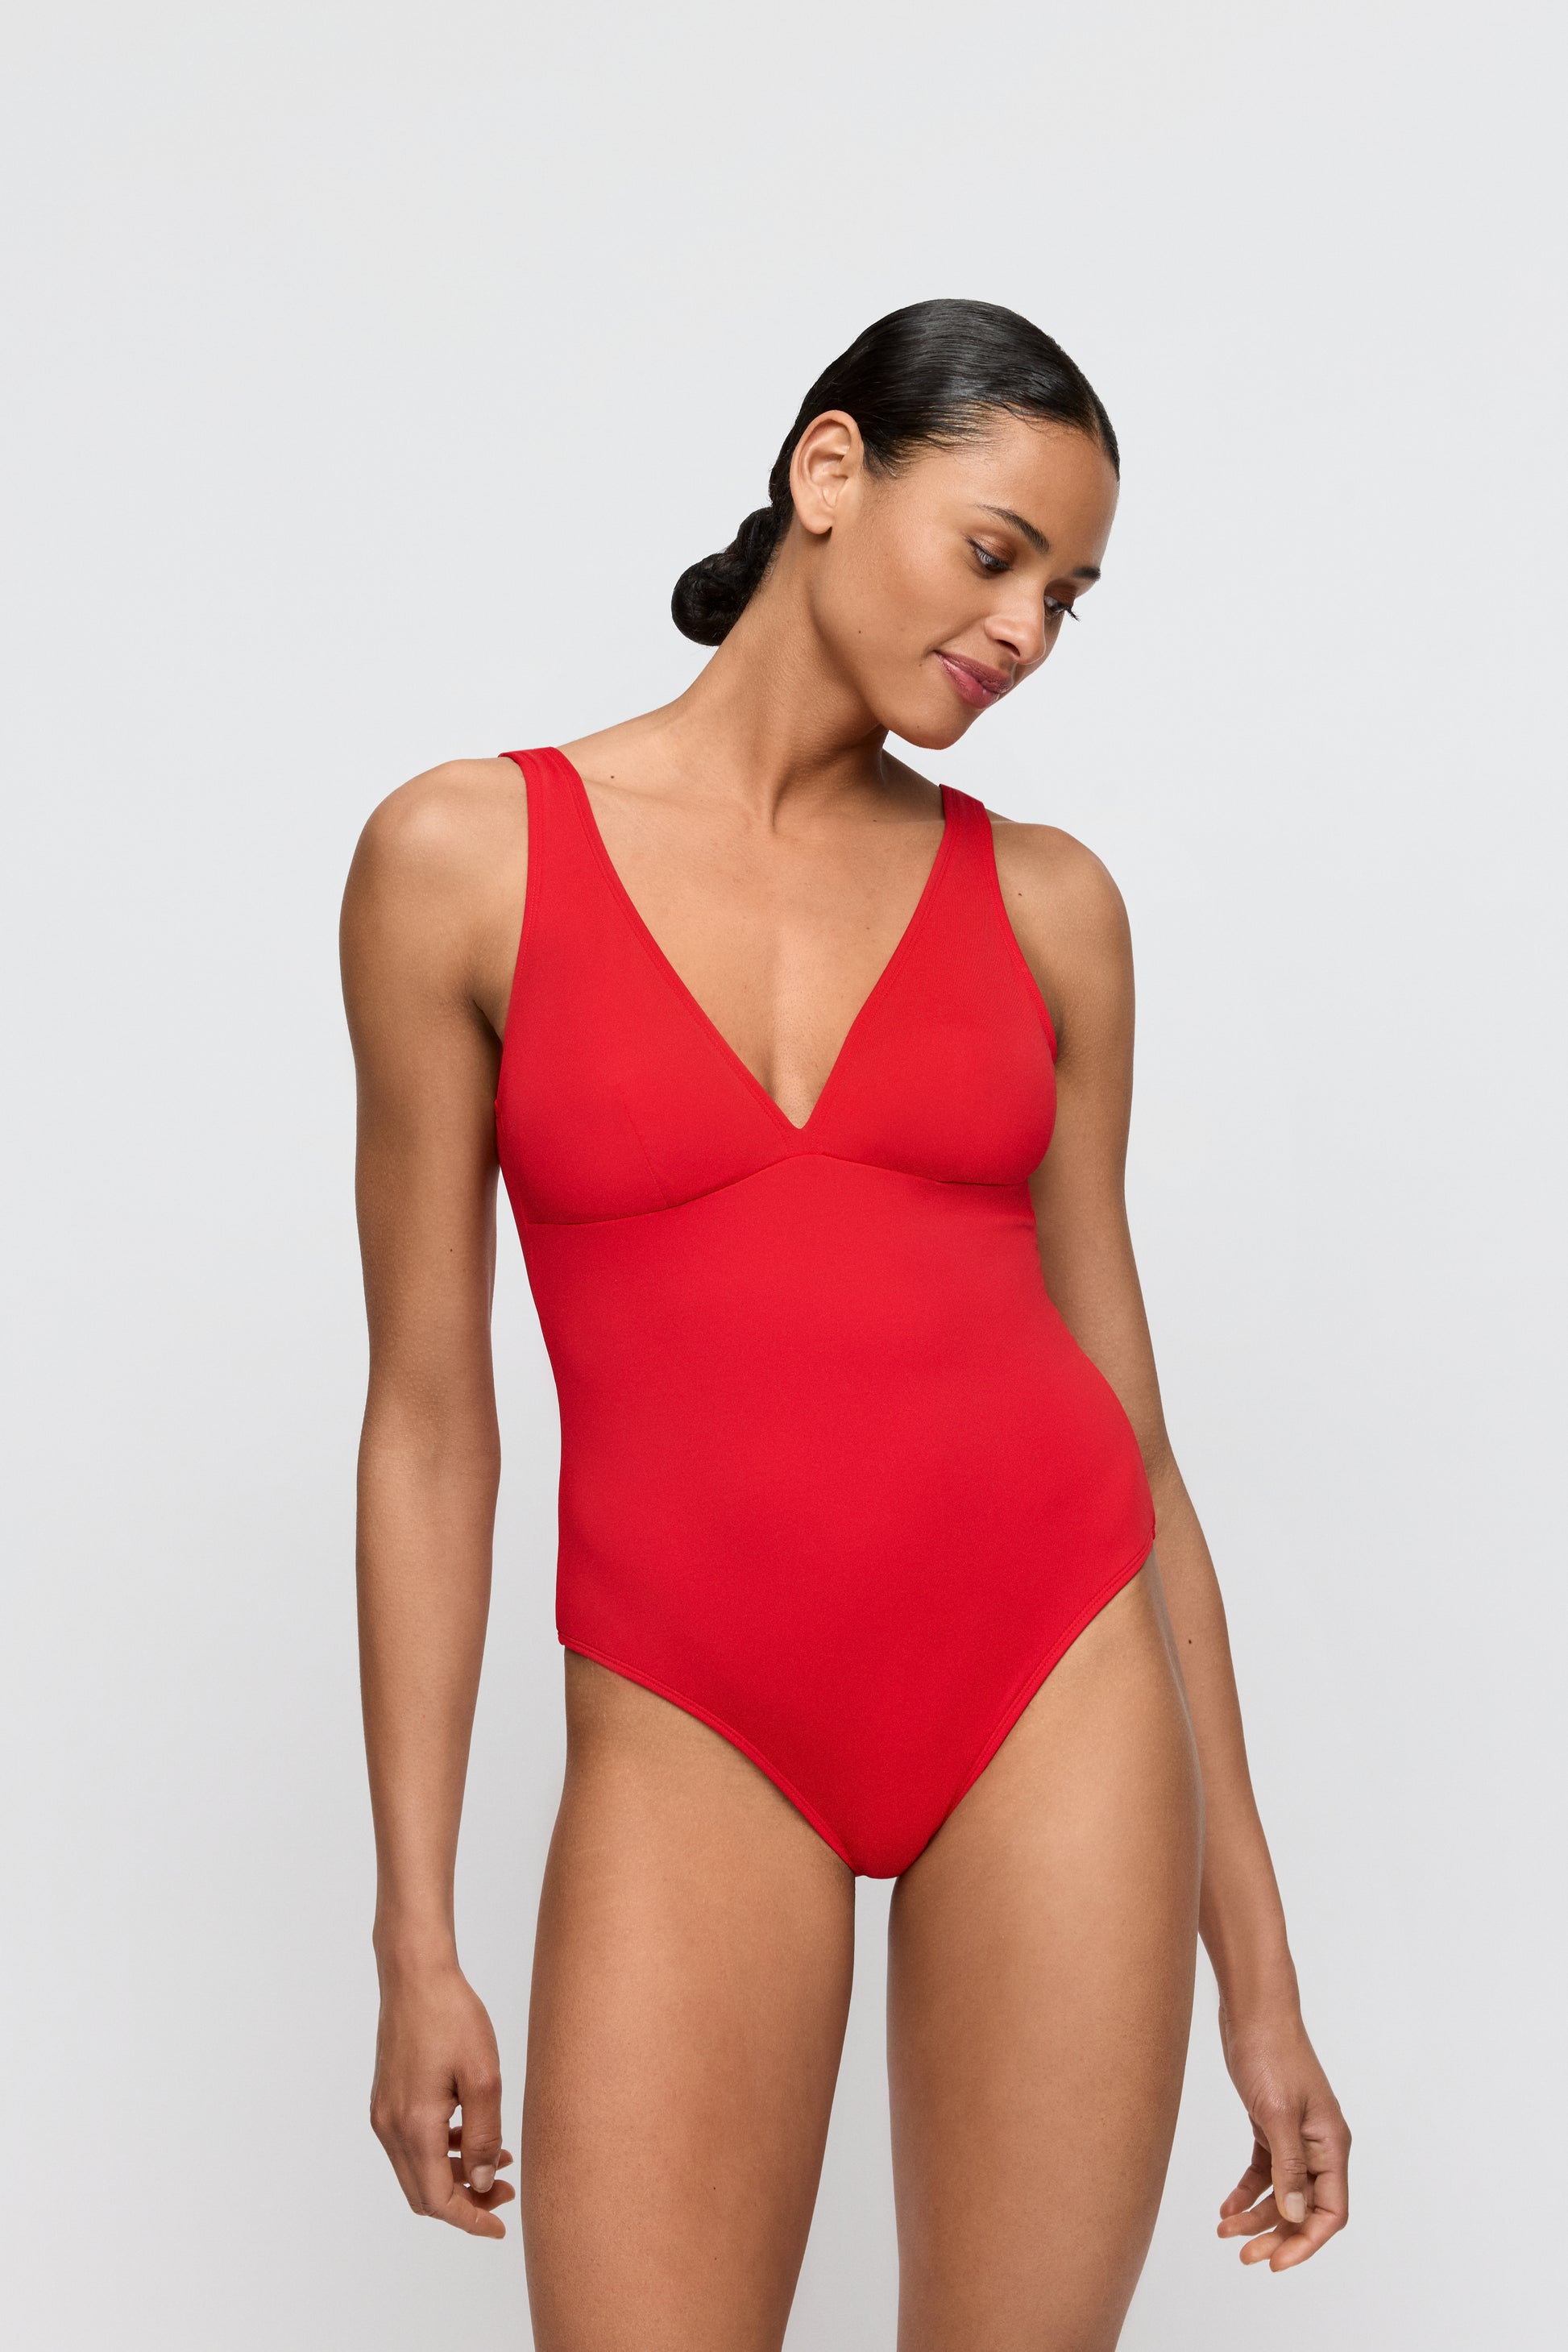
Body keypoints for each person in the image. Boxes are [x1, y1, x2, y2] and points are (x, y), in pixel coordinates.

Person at [340, 297, 1350, 2349]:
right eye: (994, 553)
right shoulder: (462, 859)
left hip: (1053, 1684)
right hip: (691, 1716)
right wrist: (415, 1930)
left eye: (1067, 598)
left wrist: (1259, 1971)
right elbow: (431, 1423)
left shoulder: (1052, 907)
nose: (1024, 631)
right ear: (827, 472)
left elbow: (1135, 1443)